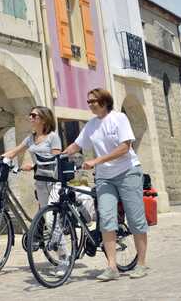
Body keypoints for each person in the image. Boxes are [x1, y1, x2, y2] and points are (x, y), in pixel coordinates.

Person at [62, 88, 149, 281]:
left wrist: (97, 160)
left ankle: (141, 264)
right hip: (105, 177)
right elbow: (76, 145)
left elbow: (125, 147)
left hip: (128, 172)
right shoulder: (91, 125)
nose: (91, 104)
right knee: (107, 220)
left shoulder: (119, 119)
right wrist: (58, 154)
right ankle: (112, 267)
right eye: (89, 102)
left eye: (94, 101)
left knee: (135, 219)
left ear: (104, 101)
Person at [2, 106, 68, 275]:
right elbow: (15, 151)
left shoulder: (53, 137)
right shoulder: (30, 139)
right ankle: (54, 249)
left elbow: (55, 159)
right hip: (40, 183)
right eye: (30, 114)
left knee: (52, 219)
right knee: (47, 218)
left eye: (34, 115)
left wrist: (34, 165)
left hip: (54, 182)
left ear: (44, 119)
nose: (30, 117)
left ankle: (64, 260)